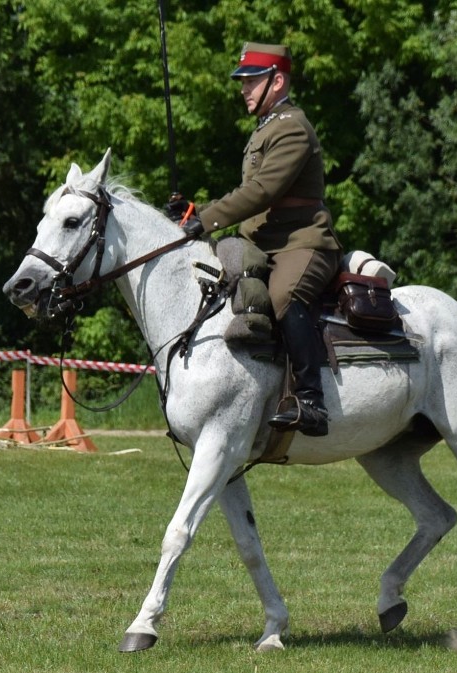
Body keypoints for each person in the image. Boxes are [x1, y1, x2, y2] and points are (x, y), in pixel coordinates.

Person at [167, 42, 342, 437]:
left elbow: (261, 191)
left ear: (277, 81)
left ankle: (312, 401)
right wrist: (194, 213)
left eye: (252, 81)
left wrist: (206, 220)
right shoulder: (267, 127)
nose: (244, 89)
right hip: (264, 243)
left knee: (283, 297)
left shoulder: (293, 127)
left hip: (303, 243)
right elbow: (249, 195)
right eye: (242, 82)